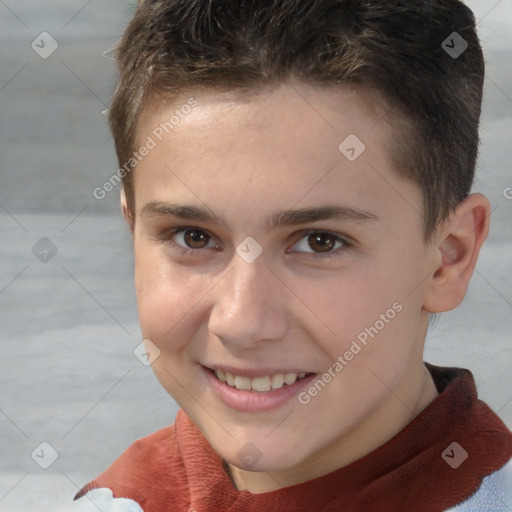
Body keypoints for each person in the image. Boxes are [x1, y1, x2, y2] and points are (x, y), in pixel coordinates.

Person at [71, 0, 512, 510]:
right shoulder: (113, 501)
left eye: (319, 242)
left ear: (446, 258)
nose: (241, 322)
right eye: (193, 236)